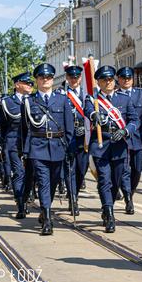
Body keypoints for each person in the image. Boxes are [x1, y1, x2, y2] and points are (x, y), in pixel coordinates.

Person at [84, 65, 138, 233]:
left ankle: (110, 204)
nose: (108, 82)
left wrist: (126, 130)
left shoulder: (124, 98)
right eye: (104, 80)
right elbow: (88, 112)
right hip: (101, 145)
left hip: (119, 144)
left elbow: (134, 120)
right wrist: (95, 115)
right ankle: (108, 212)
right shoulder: (92, 99)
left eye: (110, 79)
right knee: (104, 181)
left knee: (116, 181)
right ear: (98, 82)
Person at [20, 63, 73, 236]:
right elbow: (24, 128)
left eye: (48, 77)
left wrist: (68, 146)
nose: (45, 80)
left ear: (52, 80)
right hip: (38, 147)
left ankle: (45, 210)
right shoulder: (29, 101)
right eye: (42, 77)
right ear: (36, 80)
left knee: (54, 182)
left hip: (58, 146)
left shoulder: (63, 99)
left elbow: (69, 126)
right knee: (43, 182)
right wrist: (25, 150)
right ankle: (48, 219)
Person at [0, 72, 33, 219]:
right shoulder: (7, 102)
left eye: (31, 83)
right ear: (17, 84)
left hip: (32, 143)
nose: (30, 85)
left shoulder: (34, 100)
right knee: (18, 173)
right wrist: (3, 145)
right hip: (13, 142)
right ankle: (21, 204)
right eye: (26, 83)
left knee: (32, 174)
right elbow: (2, 125)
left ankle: (27, 196)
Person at [116, 66, 142, 215]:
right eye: (123, 78)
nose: (126, 80)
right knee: (124, 170)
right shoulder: (114, 97)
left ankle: (130, 192)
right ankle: (128, 199)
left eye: (129, 78)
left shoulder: (141, 94)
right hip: (122, 140)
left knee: (137, 170)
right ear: (119, 80)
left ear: (133, 80)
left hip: (138, 139)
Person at [57, 65, 86, 216]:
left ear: (80, 78)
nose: (74, 80)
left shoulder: (88, 94)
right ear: (67, 78)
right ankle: (73, 199)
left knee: (82, 169)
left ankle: (75, 193)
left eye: (76, 77)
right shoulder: (61, 95)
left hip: (84, 138)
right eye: (71, 77)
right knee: (70, 169)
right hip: (68, 136)